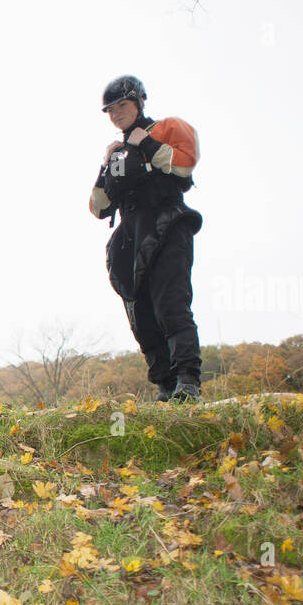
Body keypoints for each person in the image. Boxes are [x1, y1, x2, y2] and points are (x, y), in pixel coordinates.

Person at [89, 75, 204, 402]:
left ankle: (188, 382)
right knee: (141, 317)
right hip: (131, 236)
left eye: (121, 105)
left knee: (171, 304)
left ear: (138, 101)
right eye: (110, 109)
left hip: (167, 224)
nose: (116, 113)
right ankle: (166, 386)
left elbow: (184, 165)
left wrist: (146, 144)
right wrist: (105, 164)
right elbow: (98, 207)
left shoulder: (167, 127)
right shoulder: (116, 154)